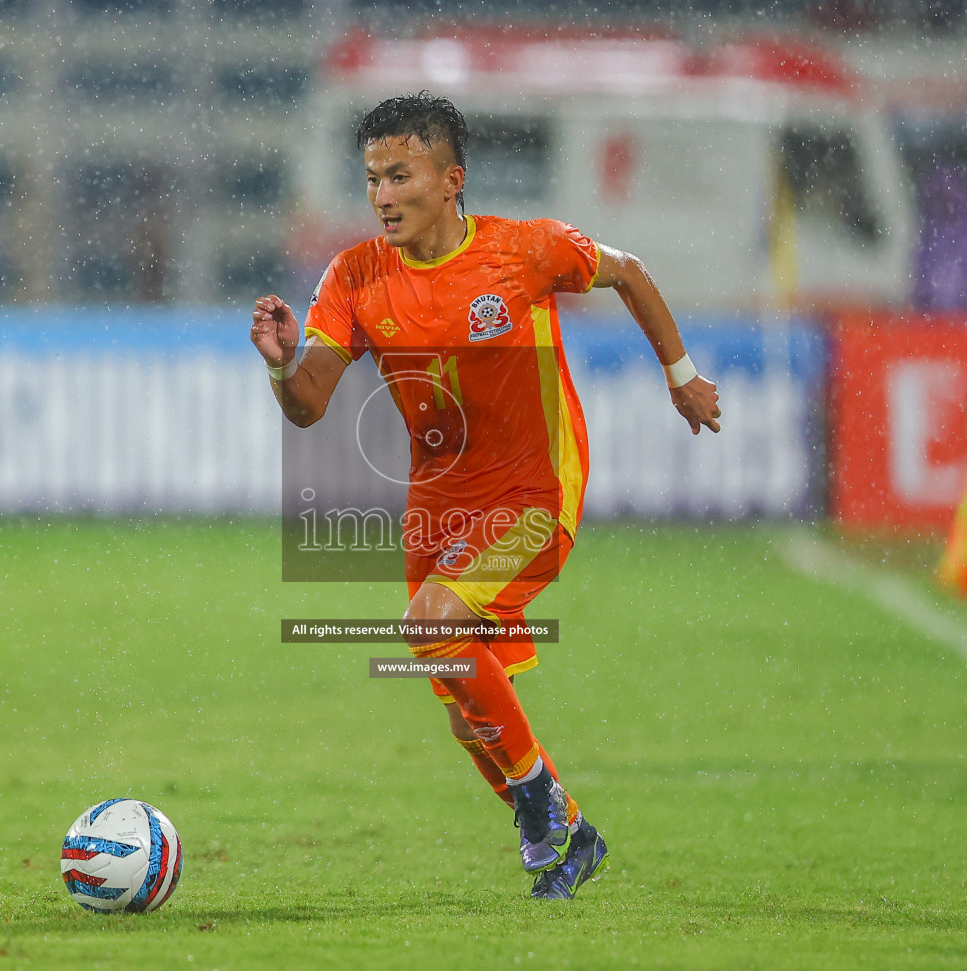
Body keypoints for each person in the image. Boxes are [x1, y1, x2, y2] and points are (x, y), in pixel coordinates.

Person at [250, 93, 721, 899]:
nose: (382, 196)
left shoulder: (525, 252)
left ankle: (539, 803)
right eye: (371, 180)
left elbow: (630, 273)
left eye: (400, 176)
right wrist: (282, 364)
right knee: (464, 711)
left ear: (450, 180)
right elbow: (310, 406)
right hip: (436, 505)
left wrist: (681, 379)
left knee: (432, 625)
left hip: (533, 493)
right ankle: (570, 834)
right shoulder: (356, 276)